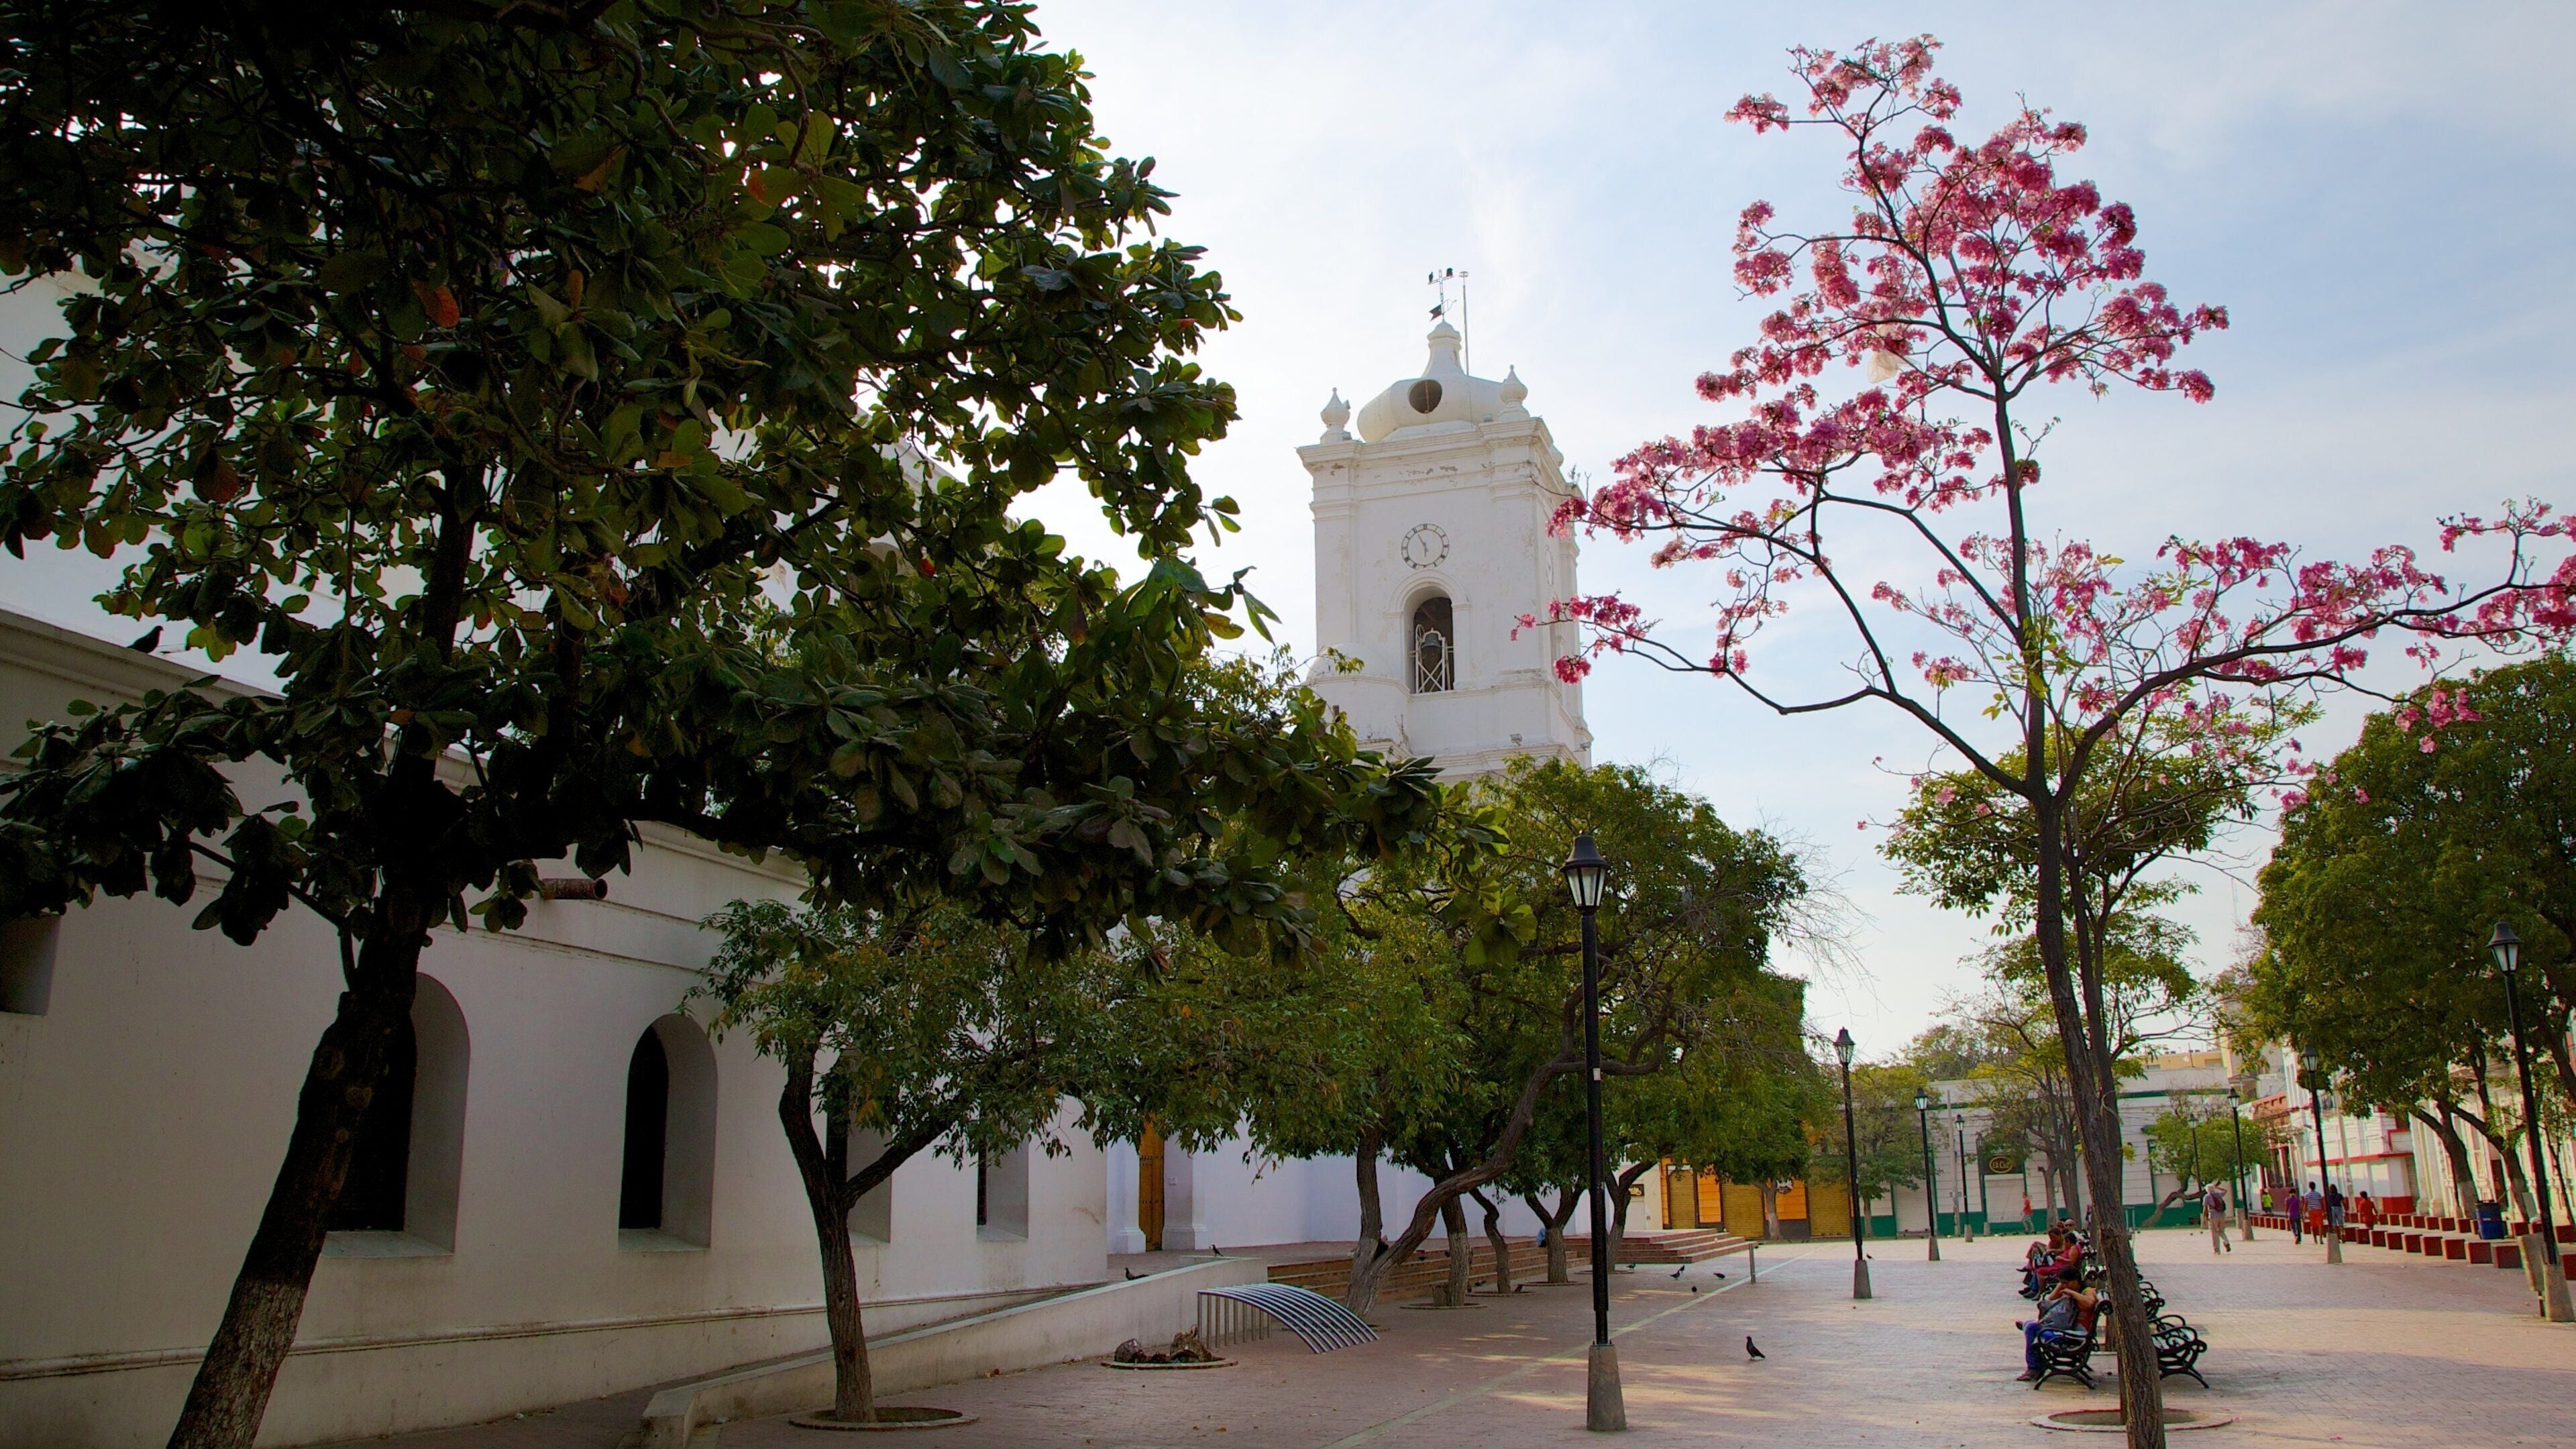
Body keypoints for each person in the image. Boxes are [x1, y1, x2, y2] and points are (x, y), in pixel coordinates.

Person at [2017, 1281, 2100, 1381]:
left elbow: (2090, 1303)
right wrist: (2060, 1287)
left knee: (2040, 1333)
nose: (2064, 1285)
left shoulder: (2087, 1291)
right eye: (2062, 1282)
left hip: (2076, 1334)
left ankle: (2034, 1367)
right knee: (2031, 1327)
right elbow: (2049, 1300)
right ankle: (2033, 1368)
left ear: (2075, 1281)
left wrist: (2073, 1293)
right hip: (2064, 1327)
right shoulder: (2065, 1288)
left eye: (2066, 1282)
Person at [2203, 1183, 2232, 1254]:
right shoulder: (2218, 1195)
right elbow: (2225, 1190)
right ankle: (2226, 1241)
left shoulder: (2207, 1197)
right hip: (2222, 1216)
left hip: (2213, 1217)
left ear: (2207, 1190)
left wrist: (2204, 1218)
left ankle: (2217, 1250)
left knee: (2214, 1233)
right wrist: (2218, 1187)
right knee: (2221, 1231)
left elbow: (2205, 1209)